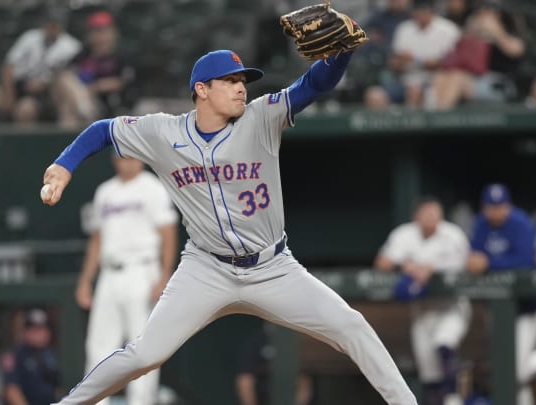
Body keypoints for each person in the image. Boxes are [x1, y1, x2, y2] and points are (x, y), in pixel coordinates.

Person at [40, 46, 417, 404]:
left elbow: (312, 85)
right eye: (230, 81)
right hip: (206, 269)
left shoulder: (260, 117)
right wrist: (63, 165)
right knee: (144, 355)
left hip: (273, 268)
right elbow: (104, 130)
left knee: (351, 326)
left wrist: (340, 55)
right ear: (201, 90)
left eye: (243, 81)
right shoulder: (162, 132)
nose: (241, 88)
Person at [76, 155, 179, 405]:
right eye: (123, 157)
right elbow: (97, 239)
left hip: (142, 270)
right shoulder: (105, 191)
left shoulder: (152, 187)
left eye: (133, 157)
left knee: (142, 349)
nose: (128, 162)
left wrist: (165, 276)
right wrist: (85, 280)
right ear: (114, 160)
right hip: (109, 273)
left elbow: (168, 232)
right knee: (98, 347)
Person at [466, 184, 536, 405]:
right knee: (509, 372)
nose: (496, 211)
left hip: (526, 307)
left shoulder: (521, 223)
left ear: (508, 206)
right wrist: (477, 262)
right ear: (484, 208)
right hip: (497, 308)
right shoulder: (481, 226)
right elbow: (474, 258)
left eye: (500, 206)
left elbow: (525, 261)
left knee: (514, 372)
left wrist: (489, 263)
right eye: (491, 207)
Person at [374, 197, 470, 405]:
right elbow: (382, 263)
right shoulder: (404, 234)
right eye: (426, 214)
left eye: (435, 215)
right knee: (429, 374)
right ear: (416, 216)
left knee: (444, 344)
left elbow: (467, 264)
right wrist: (407, 265)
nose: (431, 219)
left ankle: (454, 397)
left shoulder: (453, 234)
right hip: (423, 310)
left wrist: (430, 267)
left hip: (451, 307)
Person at [0, 9, 81, 131]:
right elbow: (8, 67)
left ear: (62, 25)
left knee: (25, 109)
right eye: (49, 23)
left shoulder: (71, 46)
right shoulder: (29, 37)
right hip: (15, 88)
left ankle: (19, 147)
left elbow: (66, 78)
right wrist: (9, 96)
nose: (51, 27)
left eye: (55, 24)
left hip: (42, 96)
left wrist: (45, 84)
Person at [428, 0, 525, 110]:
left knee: (457, 78)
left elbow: (516, 51)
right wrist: (475, 29)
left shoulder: (510, 34)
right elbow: (462, 51)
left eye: (488, 10)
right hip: (475, 79)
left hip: (498, 84)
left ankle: (441, 119)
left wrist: (496, 31)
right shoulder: (477, 32)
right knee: (441, 76)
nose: (483, 13)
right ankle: (435, 115)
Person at [365, 0, 460, 109]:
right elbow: (394, 62)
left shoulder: (448, 29)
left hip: (435, 82)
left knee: (414, 91)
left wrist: (415, 59)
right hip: (405, 80)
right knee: (374, 95)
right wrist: (399, 62)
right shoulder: (404, 28)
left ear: (432, 11)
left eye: (424, 10)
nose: (421, 14)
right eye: (418, 10)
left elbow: (449, 63)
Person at [53, 11, 135, 129]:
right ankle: (84, 108)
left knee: (70, 107)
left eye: (102, 30)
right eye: (95, 31)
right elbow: (66, 76)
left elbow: (122, 82)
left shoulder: (120, 55)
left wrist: (93, 88)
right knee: (64, 83)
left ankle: (84, 109)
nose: (99, 35)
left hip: (106, 104)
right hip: (81, 103)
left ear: (112, 32)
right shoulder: (84, 55)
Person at [235, 322, 313, 405]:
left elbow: (304, 378)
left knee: (303, 381)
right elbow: (245, 379)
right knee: (245, 382)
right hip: (264, 392)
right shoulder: (256, 341)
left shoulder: (293, 341)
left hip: (289, 389)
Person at [1, 308, 60, 405]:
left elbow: (56, 388)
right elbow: (12, 391)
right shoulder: (16, 354)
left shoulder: (50, 354)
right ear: (26, 331)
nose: (39, 334)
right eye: (35, 329)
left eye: (42, 329)